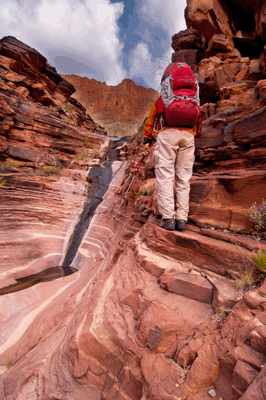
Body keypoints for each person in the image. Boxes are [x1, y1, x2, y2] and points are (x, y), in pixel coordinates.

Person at [142, 62, 202, 232]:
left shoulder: (163, 99)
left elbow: (150, 120)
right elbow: (198, 117)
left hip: (168, 134)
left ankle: (168, 218)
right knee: (183, 179)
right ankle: (182, 219)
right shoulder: (192, 97)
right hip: (188, 136)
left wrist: (147, 139)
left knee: (165, 177)